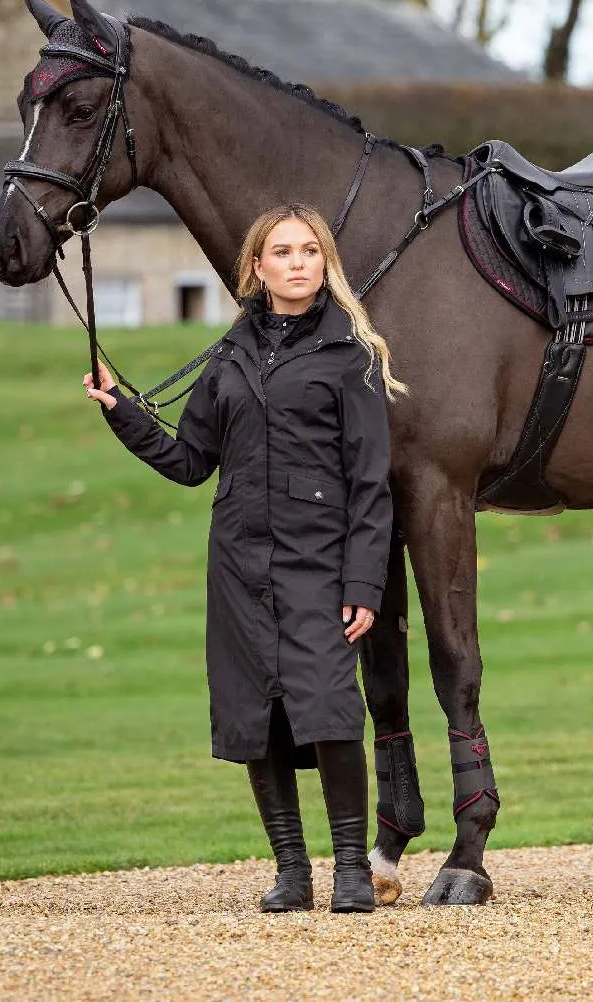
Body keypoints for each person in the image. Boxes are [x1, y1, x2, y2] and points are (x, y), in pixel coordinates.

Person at [84, 202, 406, 914]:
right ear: (256, 268)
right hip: (237, 561)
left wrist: (364, 582)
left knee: (326, 705)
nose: (298, 263)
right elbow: (191, 460)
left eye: (310, 252)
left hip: (318, 561)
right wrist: (121, 411)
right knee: (254, 710)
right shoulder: (229, 357)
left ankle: (352, 867)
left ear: (326, 265)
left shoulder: (348, 356)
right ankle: (292, 871)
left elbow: (370, 483)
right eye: (283, 252)